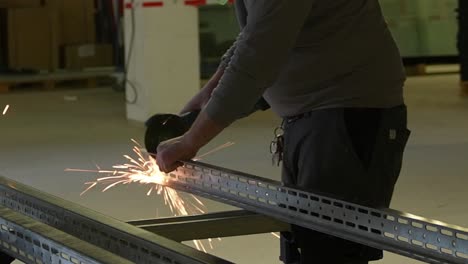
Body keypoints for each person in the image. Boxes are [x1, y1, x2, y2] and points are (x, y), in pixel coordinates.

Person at [156, 1, 411, 263]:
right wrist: (207, 94)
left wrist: (191, 141)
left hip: (350, 116)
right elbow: (253, 35)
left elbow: (256, 59)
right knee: (302, 236)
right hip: (318, 116)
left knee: (330, 249)